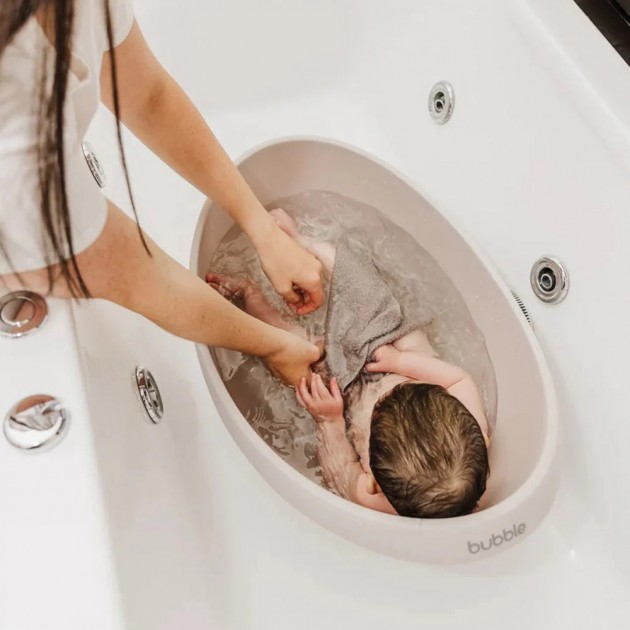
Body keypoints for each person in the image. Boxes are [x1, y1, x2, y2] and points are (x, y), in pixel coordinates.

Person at [0, 0, 324, 385]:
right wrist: (275, 346)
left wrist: (265, 232)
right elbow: (139, 278)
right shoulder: (15, 136)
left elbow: (149, 97)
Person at [208, 209, 491, 518]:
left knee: (299, 360)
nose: (386, 394)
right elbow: (459, 380)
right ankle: (303, 246)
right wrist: (402, 361)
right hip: (393, 347)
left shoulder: (374, 498)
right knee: (370, 293)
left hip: (344, 394)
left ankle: (250, 295)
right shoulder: (472, 444)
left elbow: (339, 472)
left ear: (373, 481)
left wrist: (329, 419)